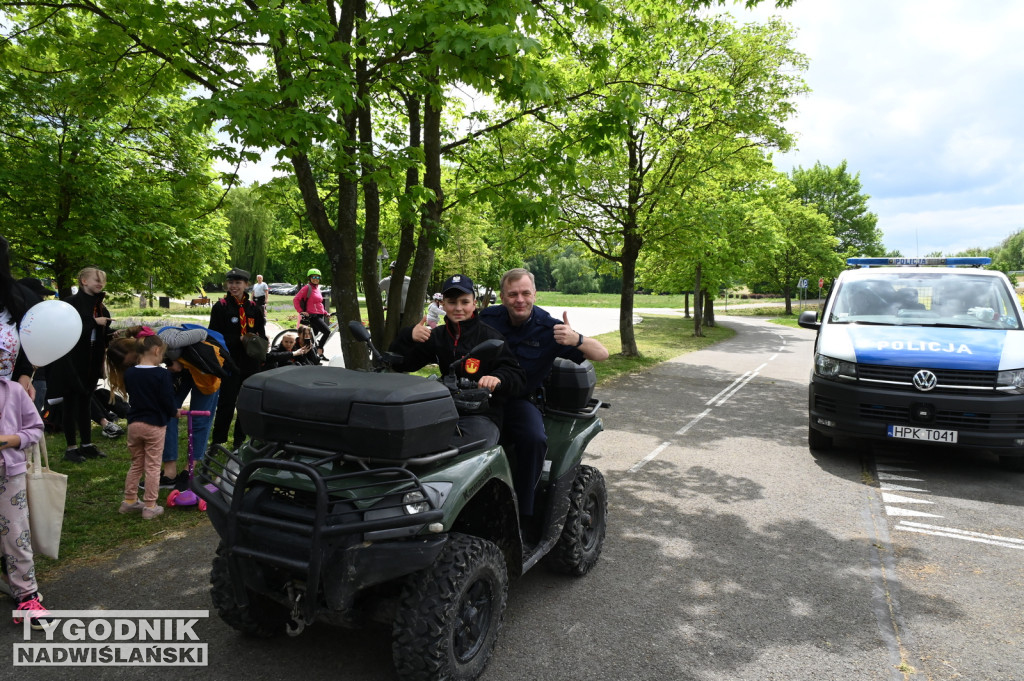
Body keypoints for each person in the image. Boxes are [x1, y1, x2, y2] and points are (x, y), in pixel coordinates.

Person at [479, 268, 609, 516]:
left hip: (519, 401)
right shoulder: (487, 318)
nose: (520, 300)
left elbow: (602, 354)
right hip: (482, 397)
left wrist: (577, 339)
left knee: (534, 439)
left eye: (525, 293)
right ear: (503, 296)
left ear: (535, 294)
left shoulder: (551, 329)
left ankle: (523, 511)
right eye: (513, 294)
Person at [388, 274, 525, 449]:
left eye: (464, 302)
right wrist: (408, 337)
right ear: (443, 304)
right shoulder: (437, 336)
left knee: (463, 454)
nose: (458, 308)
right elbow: (402, 364)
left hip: (482, 415)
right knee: (411, 445)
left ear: (474, 303)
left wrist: (498, 378)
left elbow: (517, 376)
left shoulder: (490, 337)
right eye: (452, 302)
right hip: (442, 411)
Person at [0, 373, 54, 629]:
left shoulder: (12, 391)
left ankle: (27, 596)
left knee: (16, 536)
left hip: (8, 475)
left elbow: (35, 428)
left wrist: (10, 441)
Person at [49, 266, 113, 463]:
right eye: (96, 279)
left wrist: (112, 334)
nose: (100, 283)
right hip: (71, 361)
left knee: (86, 401)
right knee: (70, 404)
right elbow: (68, 330)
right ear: (83, 281)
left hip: (92, 361)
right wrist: (95, 323)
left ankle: (86, 444)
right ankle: (71, 448)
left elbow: (102, 332)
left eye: (102, 280)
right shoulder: (70, 304)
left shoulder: (100, 306)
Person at [116, 328, 177, 520]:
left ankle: (129, 501)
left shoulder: (130, 373)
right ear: (157, 350)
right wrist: (173, 412)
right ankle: (150, 505)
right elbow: (167, 400)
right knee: (152, 465)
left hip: (134, 424)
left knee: (136, 464)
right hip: (154, 425)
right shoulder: (162, 375)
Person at [209, 268, 266, 448]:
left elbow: (261, 333)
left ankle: (240, 441)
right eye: (231, 283)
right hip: (229, 361)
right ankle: (218, 440)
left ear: (246, 285)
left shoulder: (254, 309)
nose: (234, 286)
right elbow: (213, 336)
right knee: (226, 401)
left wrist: (261, 347)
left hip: (250, 361)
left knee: (245, 402)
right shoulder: (221, 307)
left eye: (238, 283)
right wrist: (237, 339)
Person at [292, 268, 330, 352]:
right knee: (327, 331)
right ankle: (319, 350)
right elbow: (296, 299)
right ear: (309, 278)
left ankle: (307, 354)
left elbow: (319, 303)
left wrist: (325, 313)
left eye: (318, 277)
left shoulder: (317, 289)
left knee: (313, 337)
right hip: (313, 316)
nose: (316, 279)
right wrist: (301, 311)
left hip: (319, 315)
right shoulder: (307, 288)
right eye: (313, 277)